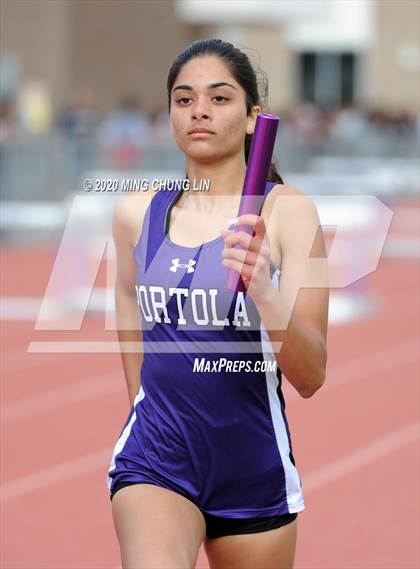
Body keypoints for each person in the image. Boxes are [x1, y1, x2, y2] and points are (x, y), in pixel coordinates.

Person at [107, 38, 329, 569]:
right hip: (157, 458)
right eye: (184, 100)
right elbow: (129, 328)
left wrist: (264, 289)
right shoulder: (134, 214)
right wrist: (153, 414)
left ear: (255, 117)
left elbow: (311, 374)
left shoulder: (292, 213)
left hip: (252, 466)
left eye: (219, 98)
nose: (199, 111)